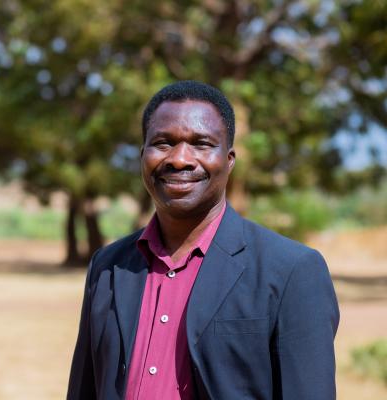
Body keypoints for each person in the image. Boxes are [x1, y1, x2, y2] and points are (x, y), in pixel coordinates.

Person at [67, 80, 339, 400]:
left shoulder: (292, 270)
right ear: (143, 155)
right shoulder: (109, 266)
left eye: (201, 143)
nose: (180, 158)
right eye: (163, 143)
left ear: (229, 159)